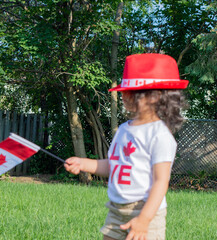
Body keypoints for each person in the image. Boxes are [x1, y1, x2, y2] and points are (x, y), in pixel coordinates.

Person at [64, 53, 188, 240]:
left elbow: (161, 182)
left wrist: (144, 219)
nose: (123, 95)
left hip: (146, 211)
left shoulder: (160, 135)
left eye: (131, 91)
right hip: (116, 209)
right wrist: (83, 164)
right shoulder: (124, 130)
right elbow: (115, 165)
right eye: (125, 90)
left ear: (156, 96)